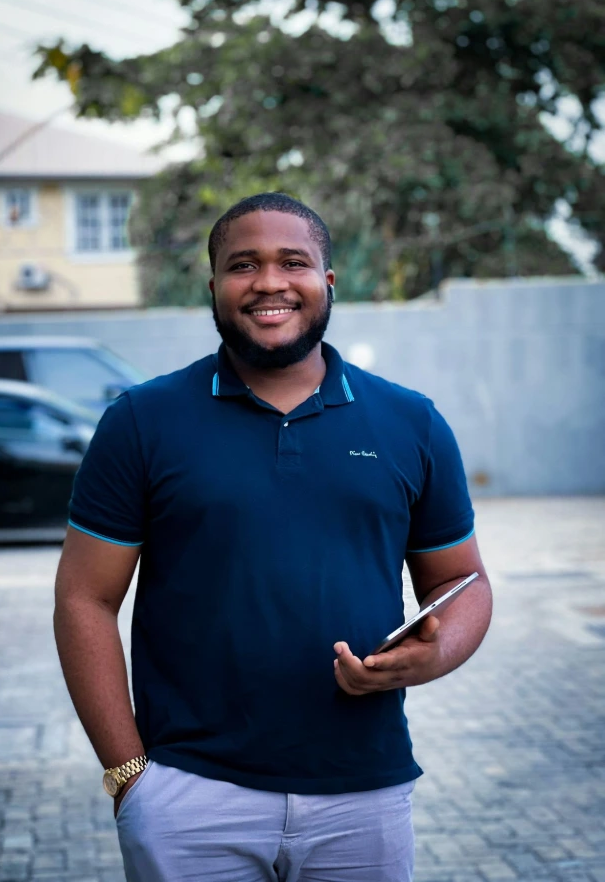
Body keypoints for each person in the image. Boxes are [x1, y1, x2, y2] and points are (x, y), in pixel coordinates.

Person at [54, 192, 493, 882]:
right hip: (188, 793)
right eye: (243, 265)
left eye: (293, 262)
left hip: (364, 792)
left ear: (327, 281)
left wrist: (433, 656)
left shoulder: (411, 422)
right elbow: (84, 598)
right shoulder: (142, 420)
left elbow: (463, 582)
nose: (268, 282)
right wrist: (128, 774)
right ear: (213, 286)